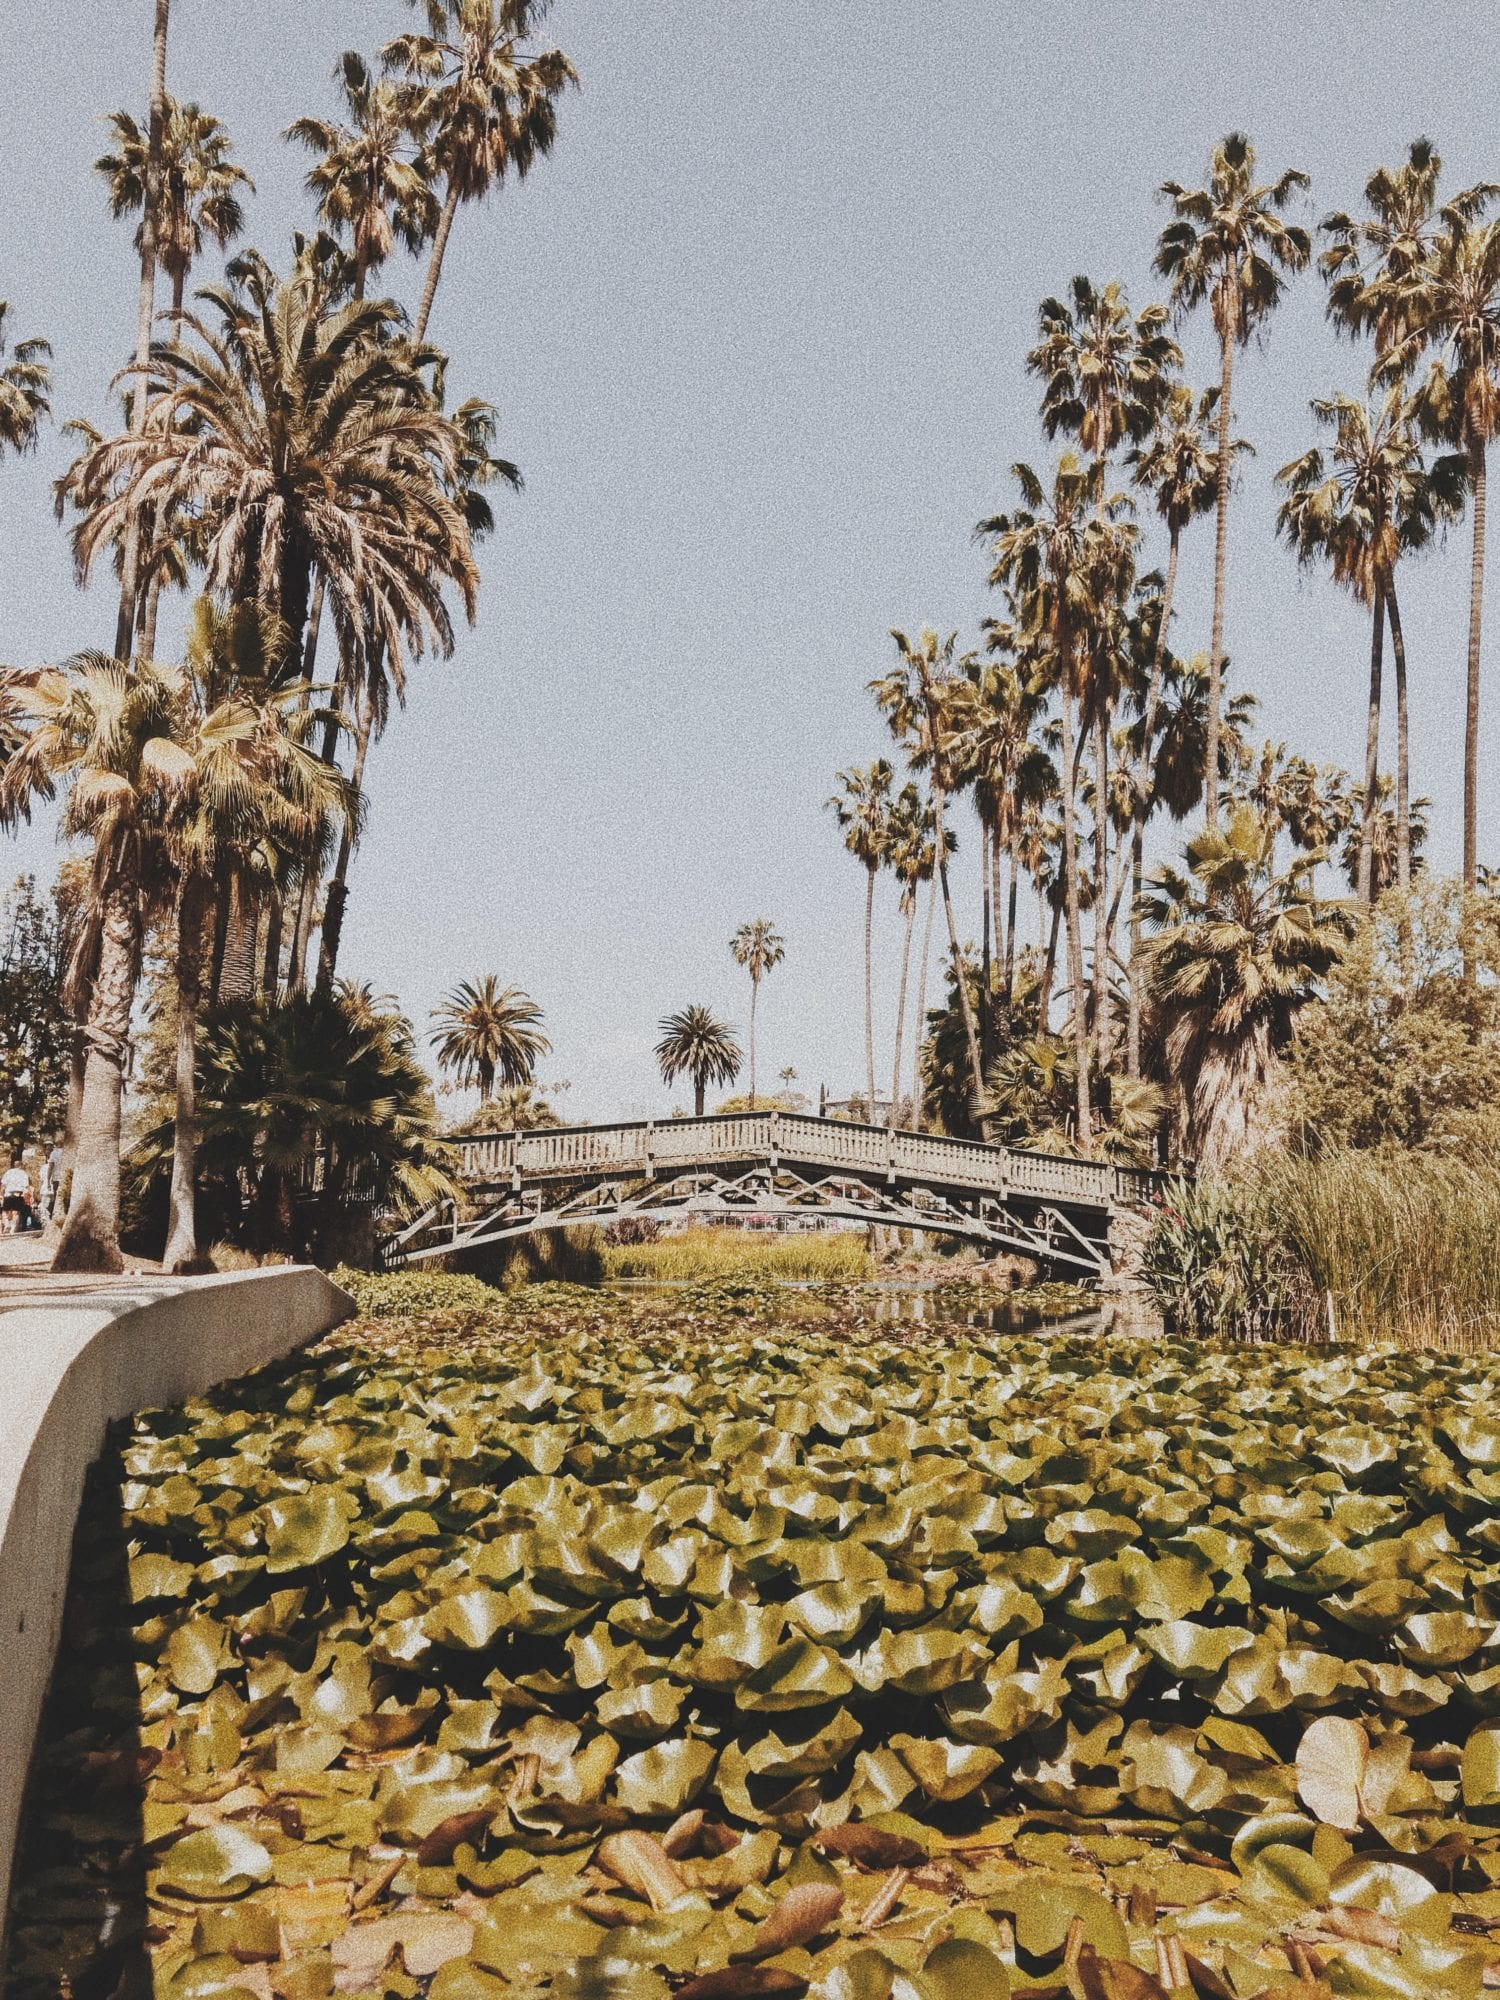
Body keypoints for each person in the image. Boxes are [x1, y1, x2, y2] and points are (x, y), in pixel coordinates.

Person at [1, 1158, 31, 1235]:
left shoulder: (8, 1172)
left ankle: (7, 1224)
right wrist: (29, 1196)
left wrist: (1, 1194)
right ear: (20, 1166)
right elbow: (26, 1186)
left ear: (14, 1165)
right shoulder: (23, 1173)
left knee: (4, 1211)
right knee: (16, 1212)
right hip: (18, 1194)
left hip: (8, 1194)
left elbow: (3, 1185)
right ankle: (13, 1229)